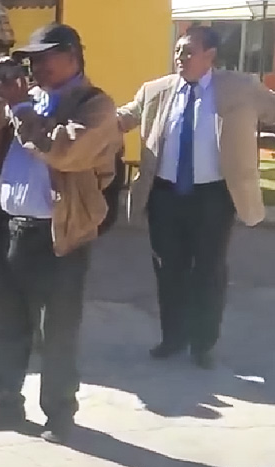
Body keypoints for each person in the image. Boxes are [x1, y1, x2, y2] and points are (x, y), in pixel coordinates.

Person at [0, 23, 120, 444]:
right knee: (2, 321)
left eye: (46, 56)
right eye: (32, 58)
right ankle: (4, 402)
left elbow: (65, 151)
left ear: (72, 56)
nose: (37, 65)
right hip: (11, 223)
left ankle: (60, 413)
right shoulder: (23, 99)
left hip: (61, 231)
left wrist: (22, 108)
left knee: (58, 329)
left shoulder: (95, 104)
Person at [118, 25, 275, 369]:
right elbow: (122, 118)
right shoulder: (156, 91)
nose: (180, 57)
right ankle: (172, 338)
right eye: (177, 50)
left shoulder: (240, 87)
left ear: (210, 56)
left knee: (208, 270)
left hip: (213, 197)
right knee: (168, 269)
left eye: (188, 51)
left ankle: (203, 343)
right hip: (165, 196)